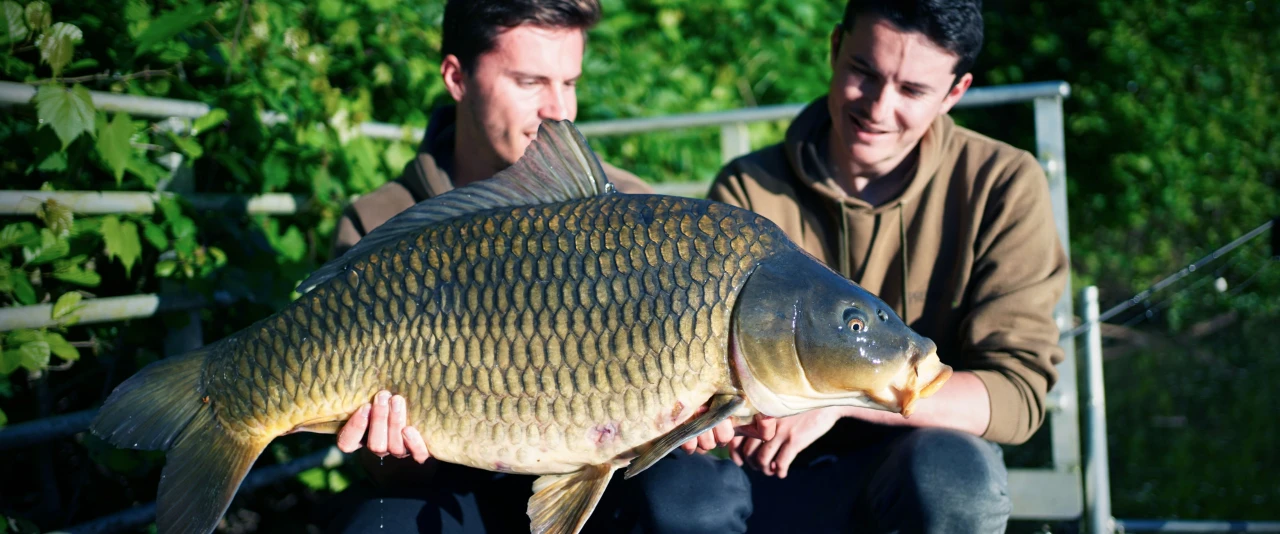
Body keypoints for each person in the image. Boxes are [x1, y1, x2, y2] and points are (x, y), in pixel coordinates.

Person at [623, 0, 1071, 532]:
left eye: (912, 91)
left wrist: (841, 401)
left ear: (955, 93)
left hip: (916, 463)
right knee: (679, 496)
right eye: (864, 72)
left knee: (952, 477)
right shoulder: (747, 189)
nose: (879, 109)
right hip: (771, 471)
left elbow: (1016, 399)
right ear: (836, 49)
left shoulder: (1002, 183)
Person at [323, 1, 654, 532]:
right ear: (456, 77)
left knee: (699, 497)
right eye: (530, 82)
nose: (559, 111)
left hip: (602, 474)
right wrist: (391, 456)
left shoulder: (631, 215)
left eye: (569, 82)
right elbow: (374, 463)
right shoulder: (381, 220)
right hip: (450, 483)